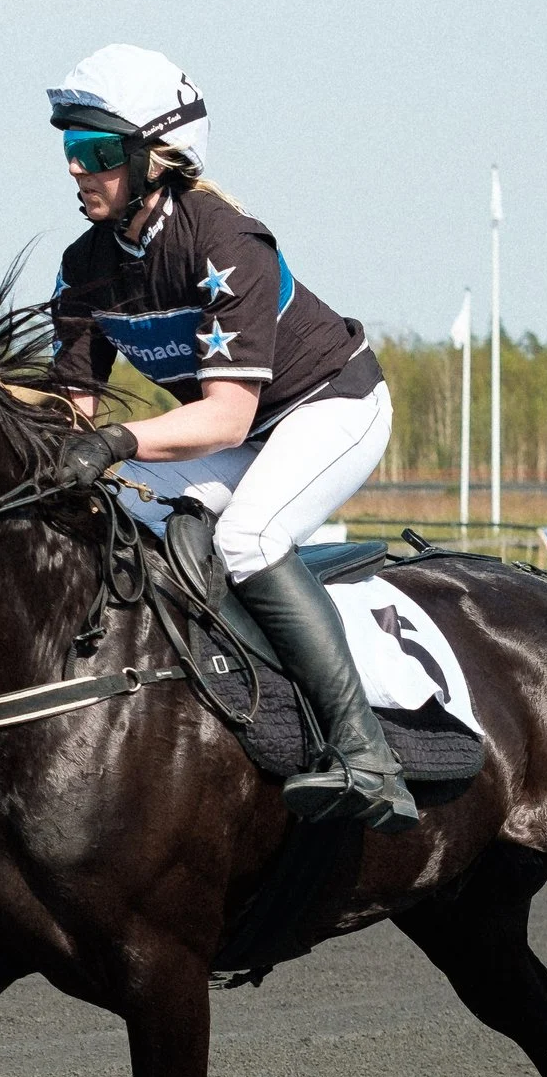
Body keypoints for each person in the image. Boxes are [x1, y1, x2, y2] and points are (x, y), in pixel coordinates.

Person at [44, 44, 417, 829]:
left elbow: (223, 418)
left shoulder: (224, 240)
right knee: (102, 514)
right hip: (237, 432)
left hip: (331, 407)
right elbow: (71, 411)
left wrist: (117, 443)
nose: (79, 169)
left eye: (99, 152)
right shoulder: (83, 267)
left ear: (158, 158)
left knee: (247, 538)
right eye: (71, 149)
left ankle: (367, 755)